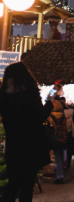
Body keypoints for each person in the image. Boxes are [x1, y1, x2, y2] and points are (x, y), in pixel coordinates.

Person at [0, 62, 52, 202]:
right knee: (27, 186)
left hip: (13, 146)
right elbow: (40, 117)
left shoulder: (3, 96)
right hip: (31, 145)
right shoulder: (30, 93)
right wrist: (49, 105)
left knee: (13, 184)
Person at [48, 98, 68, 184]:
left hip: (54, 138)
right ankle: (60, 175)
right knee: (60, 156)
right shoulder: (63, 116)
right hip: (62, 138)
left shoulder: (50, 116)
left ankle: (59, 176)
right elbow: (65, 127)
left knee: (57, 158)